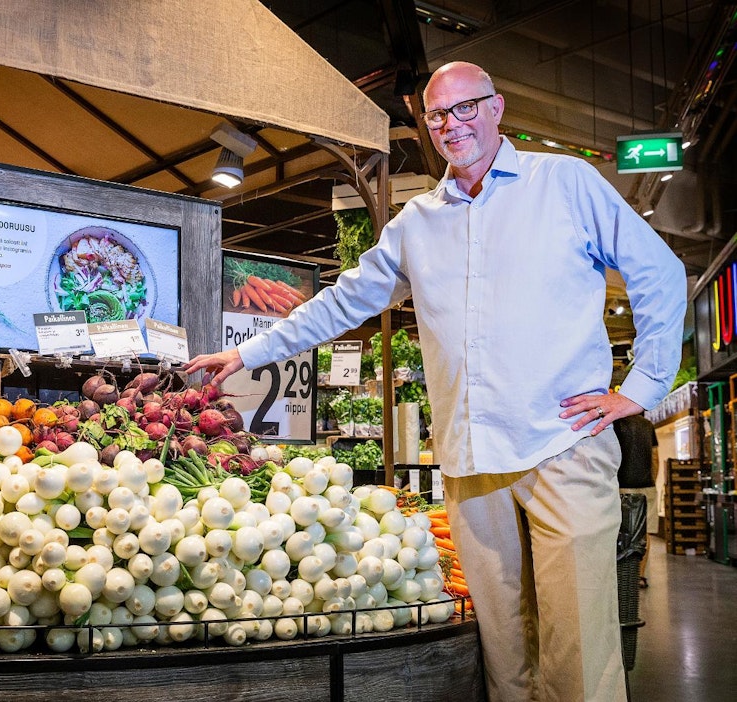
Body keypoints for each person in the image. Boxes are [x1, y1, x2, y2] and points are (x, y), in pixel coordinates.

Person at [185, 61, 686, 701]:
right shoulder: (417, 221)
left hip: (563, 443)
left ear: (498, 107)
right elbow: (343, 301)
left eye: (466, 107)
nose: (453, 124)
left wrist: (641, 389)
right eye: (439, 114)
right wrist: (251, 353)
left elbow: (660, 274)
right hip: (470, 459)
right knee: (504, 650)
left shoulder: (562, 182)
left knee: (580, 649)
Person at [614, 412, 658, 587]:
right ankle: (639, 576)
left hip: (620, 486)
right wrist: (652, 479)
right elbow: (655, 457)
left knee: (618, 532)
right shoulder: (648, 426)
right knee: (645, 533)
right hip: (647, 485)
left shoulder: (616, 424)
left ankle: (620, 575)